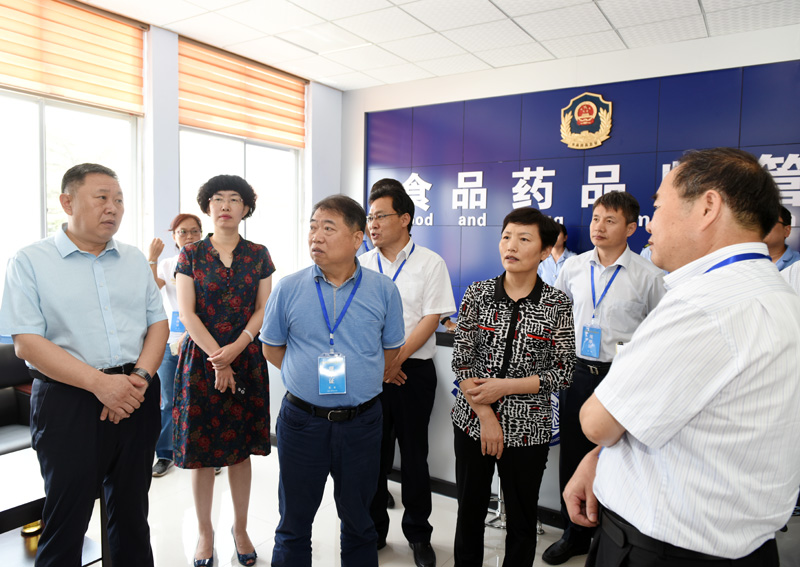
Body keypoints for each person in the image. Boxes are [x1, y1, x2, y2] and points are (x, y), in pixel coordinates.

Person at [565, 147, 800, 565]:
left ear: (708, 207)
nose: (651, 223)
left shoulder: (703, 305)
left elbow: (597, 422)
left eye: (658, 206)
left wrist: (600, 442)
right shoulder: (776, 291)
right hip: (743, 546)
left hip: (664, 551)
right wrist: (600, 457)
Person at [0, 163, 168, 567]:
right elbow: (27, 343)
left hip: (137, 394)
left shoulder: (133, 260)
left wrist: (138, 379)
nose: (114, 207)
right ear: (67, 202)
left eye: (119, 200)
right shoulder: (30, 261)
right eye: (102, 198)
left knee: (132, 513)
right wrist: (101, 385)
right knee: (66, 518)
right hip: (69, 400)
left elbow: (157, 324)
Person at [260, 195, 405, 567]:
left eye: (328, 228)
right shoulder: (288, 288)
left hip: (362, 423)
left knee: (359, 523)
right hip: (302, 421)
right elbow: (272, 348)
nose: (316, 236)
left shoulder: (383, 290)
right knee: (293, 523)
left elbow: (391, 351)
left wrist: (360, 377)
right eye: (312, 227)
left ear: (357, 238)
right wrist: (304, 375)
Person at [451, 207, 576, 567]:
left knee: (522, 520)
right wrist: (486, 415)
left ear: (544, 251)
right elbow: (462, 360)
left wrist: (504, 387)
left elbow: (563, 371)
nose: (511, 246)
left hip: (528, 428)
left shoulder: (556, 304)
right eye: (506, 237)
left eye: (524, 239)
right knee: (469, 512)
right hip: (472, 422)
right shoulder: (477, 294)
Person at [546, 191, 665, 565]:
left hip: (622, 375)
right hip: (578, 372)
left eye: (610, 220)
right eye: (596, 218)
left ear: (631, 228)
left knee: (619, 455)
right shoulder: (573, 267)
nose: (599, 226)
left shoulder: (650, 276)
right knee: (573, 454)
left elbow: (658, 333)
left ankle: (612, 536)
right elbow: (557, 316)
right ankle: (574, 534)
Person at [174, 175, 274, 567]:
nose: (226, 205)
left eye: (234, 199)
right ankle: (205, 533)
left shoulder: (259, 254)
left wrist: (236, 349)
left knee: (239, 452)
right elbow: (187, 313)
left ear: (246, 208)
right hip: (202, 361)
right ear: (207, 206)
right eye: (217, 199)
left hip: (245, 359)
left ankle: (241, 529)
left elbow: (262, 309)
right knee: (202, 453)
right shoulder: (191, 254)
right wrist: (219, 358)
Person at [362, 178, 456, 567]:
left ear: (404, 218)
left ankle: (419, 535)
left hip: (412, 372)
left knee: (415, 457)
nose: (372, 225)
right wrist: (382, 365)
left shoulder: (430, 262)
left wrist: (396, 361)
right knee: (372, 457)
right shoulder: (362, 264)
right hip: (371, 372)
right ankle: (374, 531)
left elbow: (431, 318)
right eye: (369, 217)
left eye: (380, 216)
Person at [147, 213, 203, 477]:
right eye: (183, 232)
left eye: (194, 231)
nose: (189, 236)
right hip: (171, 343)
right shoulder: (168, 264)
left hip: (202, 341)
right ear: (174, 236)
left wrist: (190, 334)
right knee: (169, 401)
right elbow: (149, 291)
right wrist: (152, 259)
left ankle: (206, 453)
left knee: (202, 399)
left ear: (201, 233)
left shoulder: (210, 263)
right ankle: (165, 454)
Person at [764, 205, 800, 270]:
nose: (761, 227)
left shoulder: (797, 262)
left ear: (787, 230)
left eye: (769, 221)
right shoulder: (745, 261)